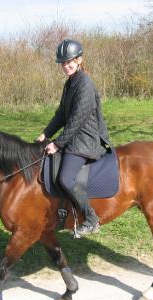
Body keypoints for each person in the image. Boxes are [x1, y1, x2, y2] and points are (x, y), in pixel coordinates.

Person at [37, 39, 111, 237]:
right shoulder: (70, 83)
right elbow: (62, 114)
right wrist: (46, 133)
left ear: (79, 60)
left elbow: (77, 120)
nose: (65, 66)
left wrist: (57, 144)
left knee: (65, 178)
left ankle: (91, 218)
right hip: (74, 137)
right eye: (62, 62)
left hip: (85, 140)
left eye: (69, 61)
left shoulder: (85, 84)